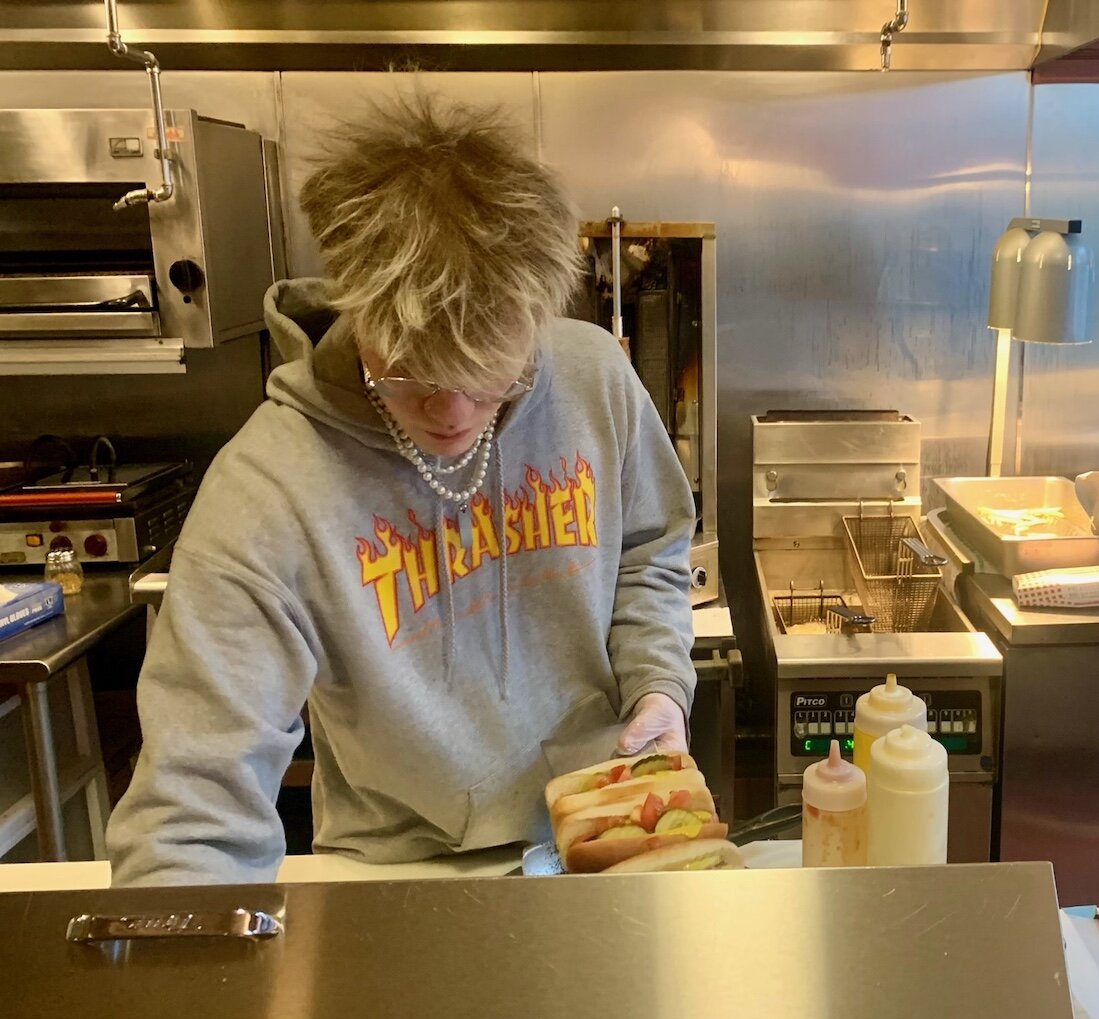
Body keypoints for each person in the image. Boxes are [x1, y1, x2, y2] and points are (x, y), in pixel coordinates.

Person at [106, 96, 697, 885]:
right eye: (411, 375)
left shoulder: (592, 378)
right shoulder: (270, 488)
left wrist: (659, 686)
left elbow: (648, 553)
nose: (451, 412)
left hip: (601, 828)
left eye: (488, 380)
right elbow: (193, 796)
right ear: (356, 307)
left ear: (536, 318)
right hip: (398, 869)